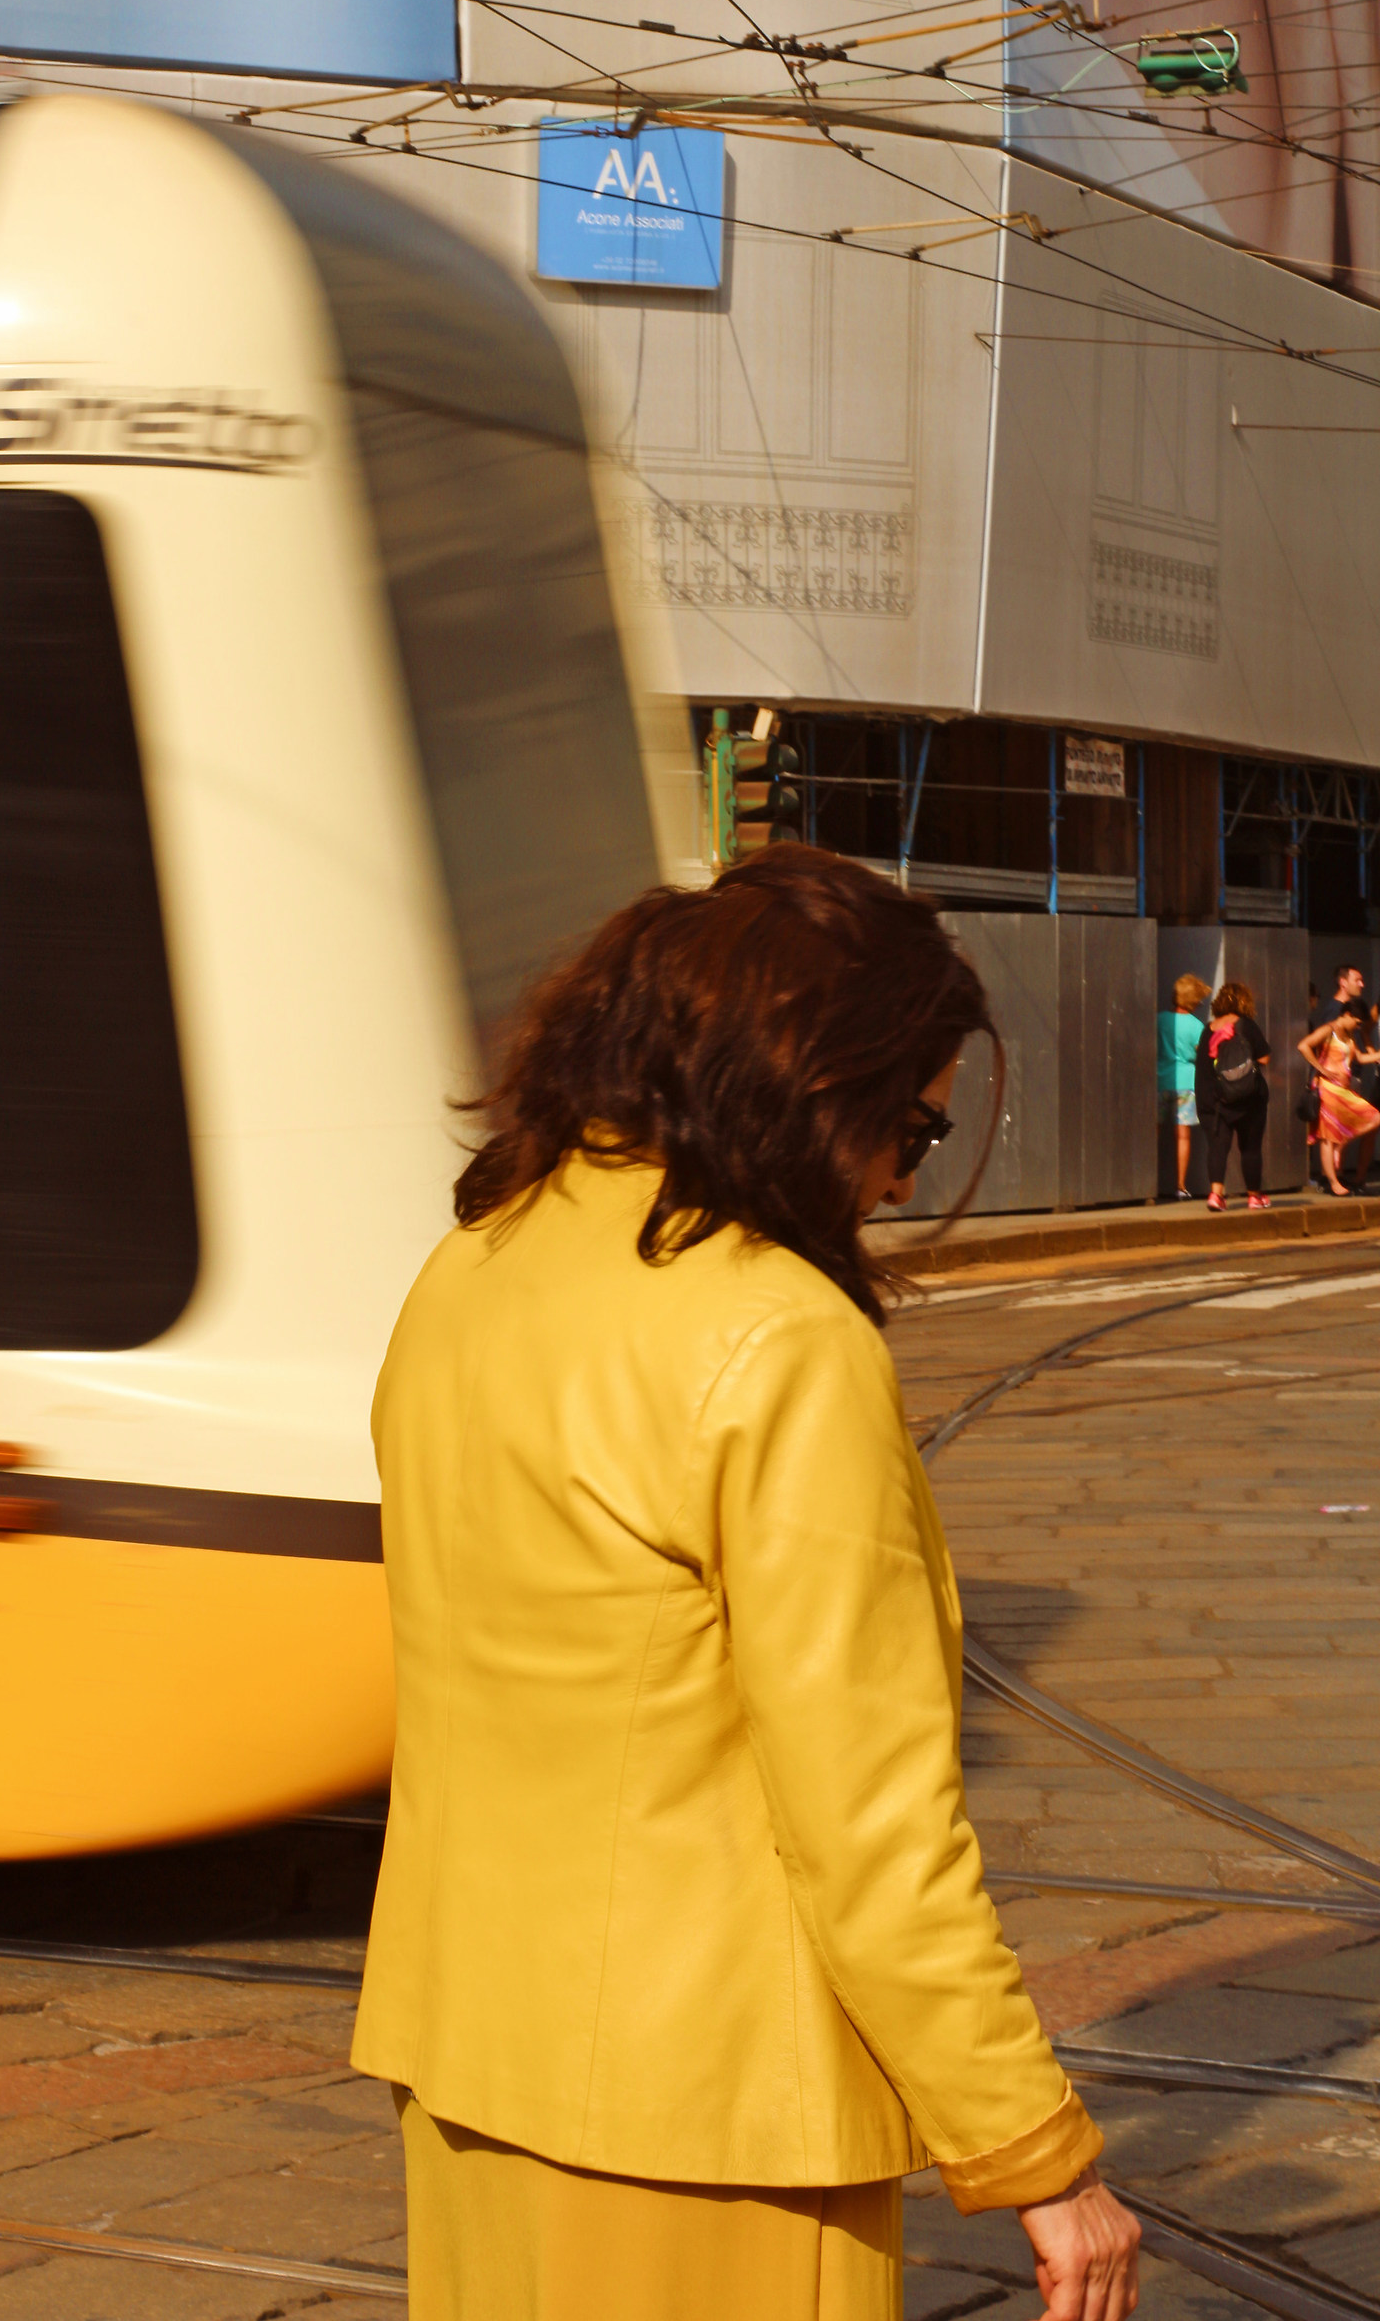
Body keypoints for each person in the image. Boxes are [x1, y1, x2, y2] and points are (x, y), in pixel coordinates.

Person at [352, 846, 1140, 2321]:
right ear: (812, 1086)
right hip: (706, 2109)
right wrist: (1036, 2151)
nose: (905, 1176)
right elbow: (872, 1823)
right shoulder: (775, 1339)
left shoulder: (474, 1268)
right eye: (907, 1124)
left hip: (472, 2058)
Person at [1194, 980, 1271, 1214]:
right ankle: (1254, 1197)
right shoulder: (1246, 1025)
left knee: (1218, 1148)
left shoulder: (1208, 1030)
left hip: (1215, 1101)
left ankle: (1216, 1195)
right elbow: (1265, 1058)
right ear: (1244, 1002)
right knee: (1250, 1148)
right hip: (1248, 1099)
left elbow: (1205, 1068)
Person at [1297, 1007, 1380, 1196]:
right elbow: (1303, 1045)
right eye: (1357, 1022)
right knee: (1327, 1137)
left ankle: (1341, 1145)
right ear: (1348, 1014)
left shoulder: (1349, 1035)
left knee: (1374, 1117)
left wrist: (1377, 1055)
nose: (1358, 1027)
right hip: (1328, 1089)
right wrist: (1322, 1069)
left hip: (1343, 1091)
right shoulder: (1329, 1029)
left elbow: (1359, 1058)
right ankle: (1334, 1183)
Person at [1157, 973, 1210, 1199]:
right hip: (1187, 1082)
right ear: (1193, 1000)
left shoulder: (1158, 1020)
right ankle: (1180, 1186)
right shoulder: (1197, 1026)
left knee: (1154, 1134)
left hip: (1159, 1080)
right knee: (1183, 1136)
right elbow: (1204, 1057)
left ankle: (1150, 1181)